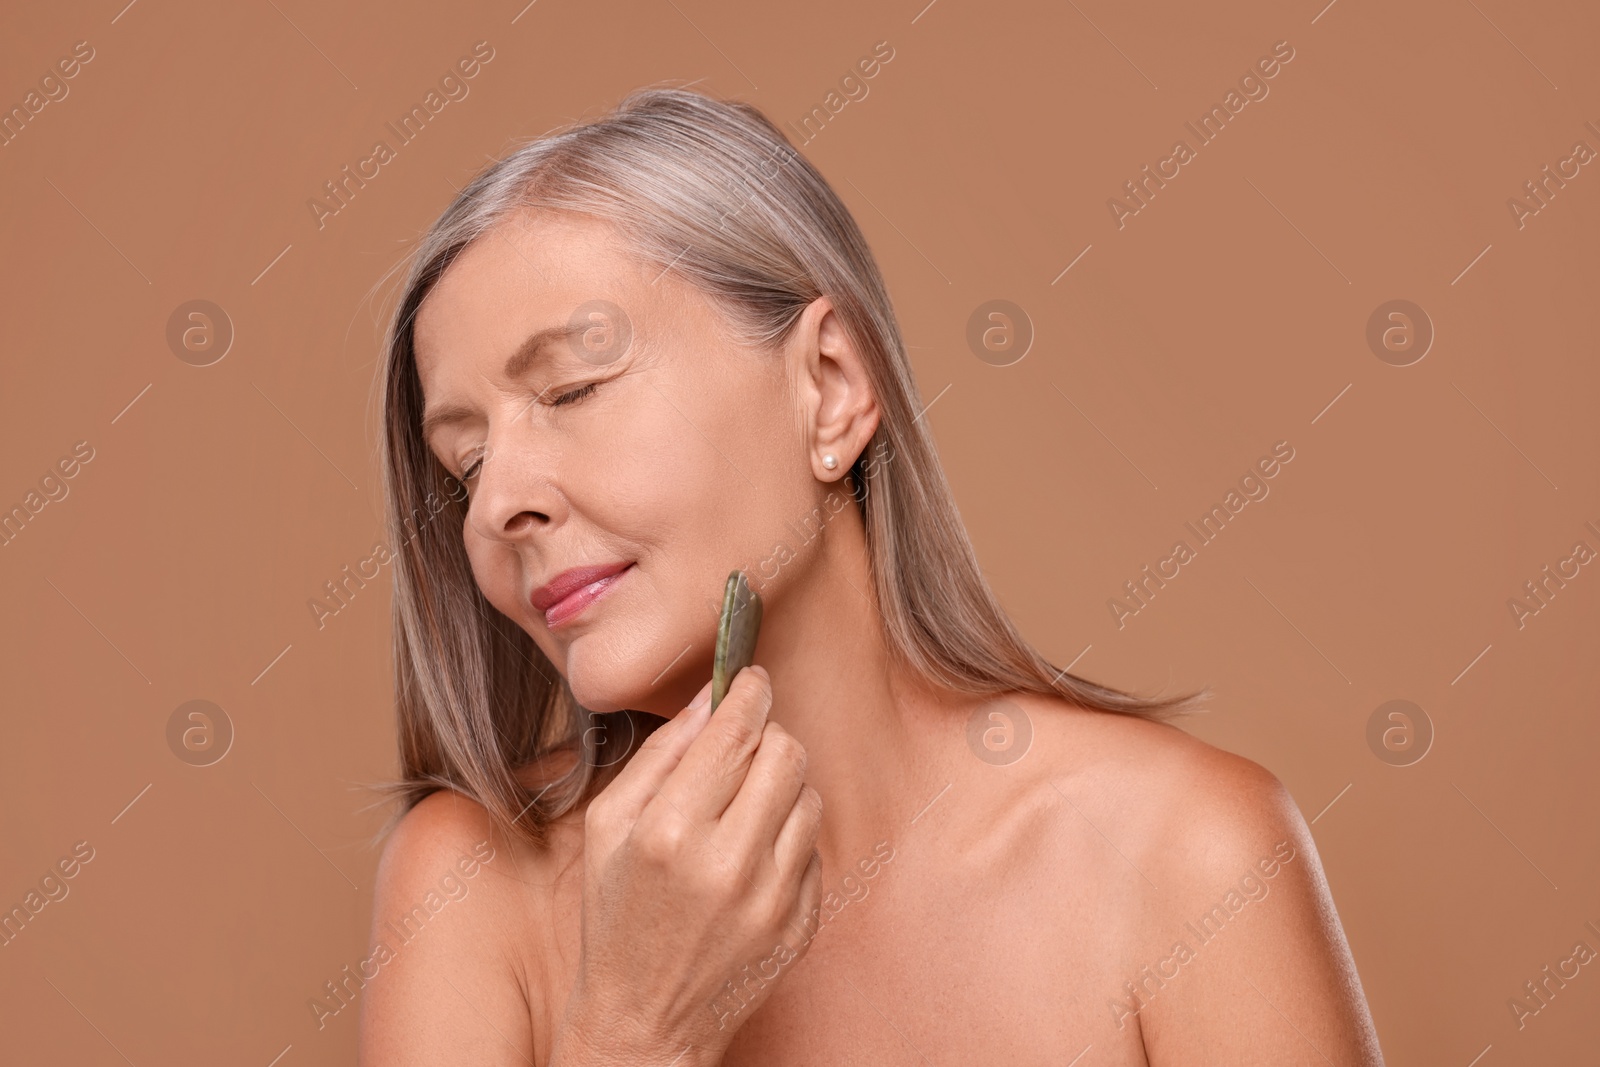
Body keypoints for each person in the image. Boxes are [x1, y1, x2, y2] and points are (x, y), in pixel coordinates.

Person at [358, 84, 1385, 1065]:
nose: (498, 506)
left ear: (830, 388)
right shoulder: (467, 883)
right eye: (467, 463)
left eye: (573, 389)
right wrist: (632, 1032)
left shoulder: (1188, 856)